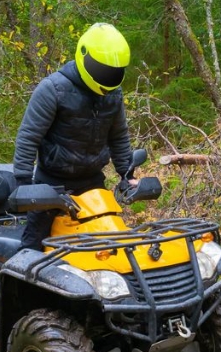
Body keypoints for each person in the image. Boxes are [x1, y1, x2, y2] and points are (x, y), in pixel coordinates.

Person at [13, 22, 136, 251]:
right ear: (84, 56)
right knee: (33, 248)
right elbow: (29, 136)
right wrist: (22, 184)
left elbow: (118, 136)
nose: (107, 76)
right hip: (50, 184)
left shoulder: (113, 94)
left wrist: (127, 175)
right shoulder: (53, 89)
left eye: (112, 71)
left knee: (109, 246)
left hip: (93, 183)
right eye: (102, 69)